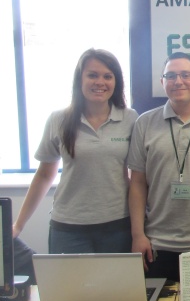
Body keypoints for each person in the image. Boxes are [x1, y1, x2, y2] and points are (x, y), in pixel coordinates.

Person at [12, 48, 137, 254]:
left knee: (116, 287)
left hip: (118, 225)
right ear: (79, 79)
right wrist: (19, 224)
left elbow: (137, 176)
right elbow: (44, 175)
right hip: (69, 228)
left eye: (108, 76)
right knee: (68, 287)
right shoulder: (58, 119)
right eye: (92, 75)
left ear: (116, 82)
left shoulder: (130, 118)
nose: (100, 82)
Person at [128, 52, 190, 282]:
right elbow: (136, 183)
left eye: (186, 75)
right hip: (155, 244)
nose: (178, 81)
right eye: (171, 75)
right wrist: (138, 235)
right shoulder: (144, 123)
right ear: (162, 81)